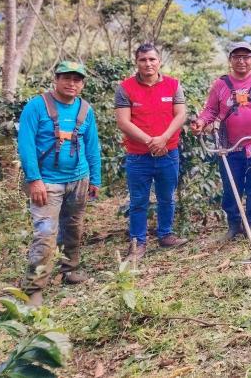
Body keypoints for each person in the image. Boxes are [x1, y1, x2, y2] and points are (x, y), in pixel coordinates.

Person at [17, 61, 101, 306]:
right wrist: (34, 180)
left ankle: (69, 270)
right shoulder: (36, 106)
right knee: (45, 233)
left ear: (82, 84)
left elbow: (92, 146)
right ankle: (33, 288)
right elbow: (26, 145)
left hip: (79, 179)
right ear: (56, 79)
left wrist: (95, 178)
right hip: (47, 183)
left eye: (77, 79)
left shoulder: (85, 109)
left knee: (73, 227)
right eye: (66, 78)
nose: (71, 83)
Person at [190, 42, 251, 239]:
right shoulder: (221, 84)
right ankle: (233, 224)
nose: (241, 61)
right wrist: (201, 122)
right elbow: (210, 110)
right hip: (229, 145)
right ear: (230, 60)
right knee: (231, 186)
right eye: (237, 57)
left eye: (246, 57)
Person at [115, 44, 188, 261]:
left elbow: (181, 115)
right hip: (138, 156)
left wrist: (164, 138)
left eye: (152, 59)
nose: (148, 64)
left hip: (168, 153)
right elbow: (123, 122)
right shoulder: (125, 88)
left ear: (159, 61)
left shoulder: (173, 85)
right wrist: (150, 141)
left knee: (167, 197)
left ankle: (165, 235)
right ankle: (138, 243)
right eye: (143, 60)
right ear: (136, 62)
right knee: (138, 200)